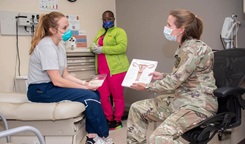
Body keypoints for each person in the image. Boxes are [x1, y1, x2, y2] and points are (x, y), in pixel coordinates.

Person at [126, 9, 218, 144]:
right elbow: (186, 77)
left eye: (169, 25)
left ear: (181, 29)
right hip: (180, 100)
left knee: (159, 138)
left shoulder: (192, 49)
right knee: (137, 109)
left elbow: (173, 82)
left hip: (198, 106)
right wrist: (163, 76)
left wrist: (146, 86)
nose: (166, 28)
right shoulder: (184, 47)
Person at [27, 11, 113, 144]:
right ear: (52, 29)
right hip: (39, 90)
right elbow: (57, 80)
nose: (68, 31)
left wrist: (85, 84)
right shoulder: (46, 46)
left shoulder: (59, 47)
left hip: (50, 86)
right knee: (90, 95)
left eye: (68, 26)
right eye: (64, 28)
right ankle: (103, 137)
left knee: (94, 92)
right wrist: (85, 88)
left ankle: (92, 137)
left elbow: (65, 75)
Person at [90, 10, 129, 130]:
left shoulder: (119, 31)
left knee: (117, 96)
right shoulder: (100, 32)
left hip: (116, 70)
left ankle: (117, 120)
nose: (107, 21)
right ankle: (108, 118)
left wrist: (103, 49)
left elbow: (122, 47)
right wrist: (94, 48)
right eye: (104, 19)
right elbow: (92, 44)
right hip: (102, 71)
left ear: (114, 19)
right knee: (102, 96)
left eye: (109, 19)